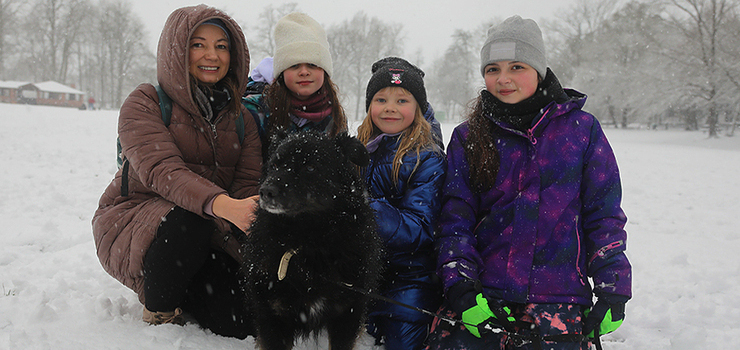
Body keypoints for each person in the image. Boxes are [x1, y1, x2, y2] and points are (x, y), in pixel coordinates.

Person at [426, 16, 632, 350]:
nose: (503, 79)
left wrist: (613, 287)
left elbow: (603, 214)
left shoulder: (581, 130)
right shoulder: (469, 136)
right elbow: (455, 217)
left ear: (539, 70)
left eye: (516, 66)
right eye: (492, 69)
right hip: (483, 295)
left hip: (558, 297)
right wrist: (461, 286)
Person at [91, 5, 262, 339]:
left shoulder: (243, 120)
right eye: (198, 44)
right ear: (177, 50)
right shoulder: (146, 102)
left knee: (241, 322)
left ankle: (190, 288)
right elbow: (162, 171)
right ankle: (161, 309)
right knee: (189, 219)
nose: (211, 55)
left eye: (221, 46)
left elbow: (245, 192)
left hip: (209, 228)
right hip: (136, 221)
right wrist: (223, 205)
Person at [357, 57, 446, 350]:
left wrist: (364, 209)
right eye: (381, 99)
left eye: (402, 100)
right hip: (364, 276)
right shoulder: (360, 149)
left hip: (411, 281)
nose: (390, 108)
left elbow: (420, 228)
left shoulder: (427, 158)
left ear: (418, 108)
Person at [241, 12, 347, 161]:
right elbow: (246, 170)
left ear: (325, 71)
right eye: (294, 65)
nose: (304, 72)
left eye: (312, 64)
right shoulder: (255, 111)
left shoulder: (333, 115)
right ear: (281, 72)